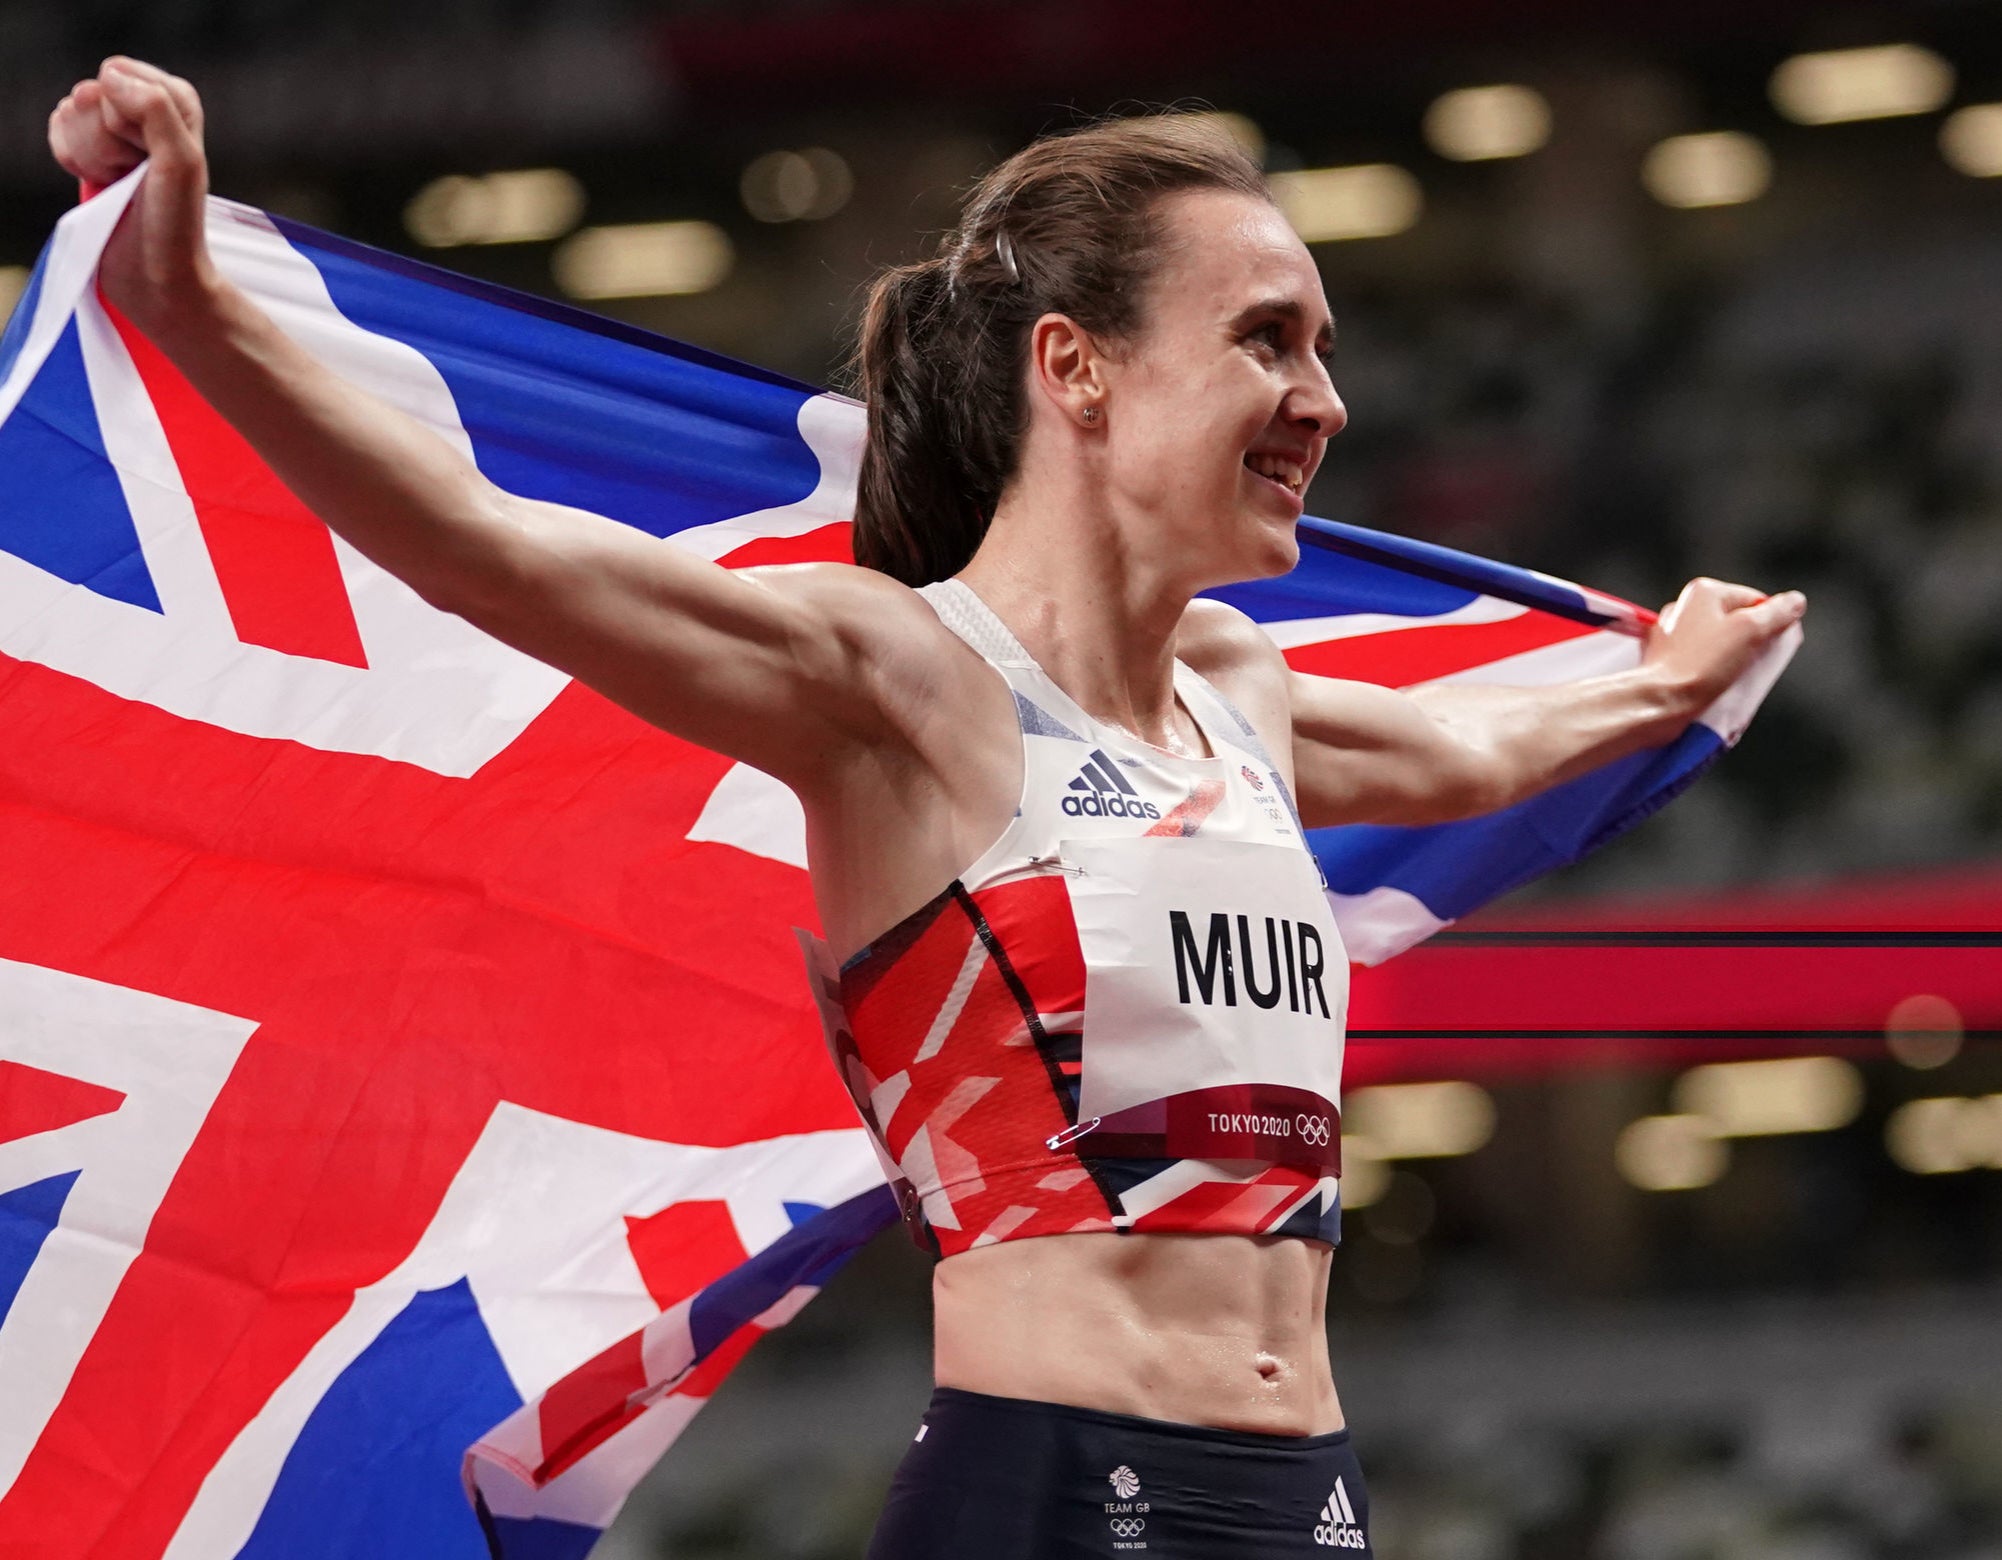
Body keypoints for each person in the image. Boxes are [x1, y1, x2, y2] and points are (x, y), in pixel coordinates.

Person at [48, 58, 1804, 1559]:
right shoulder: (898, 686)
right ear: (1078, 367)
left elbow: (1476, 762)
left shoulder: (1244, 700)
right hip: (1056, 1484)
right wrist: (189, 293)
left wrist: (1672, 676)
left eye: (1324, 350)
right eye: (1269, 340)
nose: (1324, 403)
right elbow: (479, 544)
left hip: (1306, 1494)